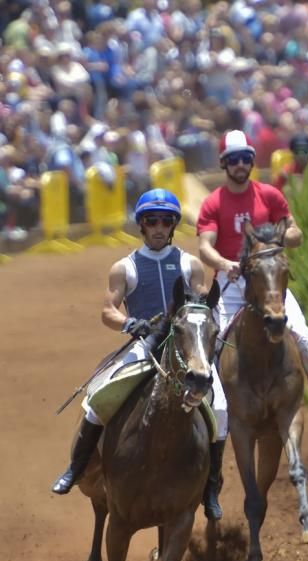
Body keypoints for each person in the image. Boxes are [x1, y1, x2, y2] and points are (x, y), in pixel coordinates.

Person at [52, 187, 228, 521]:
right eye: (151, 221)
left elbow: (202, 305)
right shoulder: (125, 267)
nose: (159, 227)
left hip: (184, 349)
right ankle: (76, 468)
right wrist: (130, 322)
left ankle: (210, 487)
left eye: (165, 221)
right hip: (144, 345)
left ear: (174, 225)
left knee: (219, 407)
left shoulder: (190, 264)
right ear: (142, 226)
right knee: (99, 398)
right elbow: (108, 311)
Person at [197, 130, 308, 422]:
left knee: (302, 336)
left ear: (251, 161)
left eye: (245, 159)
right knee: (216, 346)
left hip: (268, 281)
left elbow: (296, 232)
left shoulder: (270, 195)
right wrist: (226, 264)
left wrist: (283, 239)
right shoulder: (213, 203)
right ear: (224, 164)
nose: (240, 164)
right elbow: (205, 247)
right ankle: (212, 412)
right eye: (234, 160)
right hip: (231, 284)